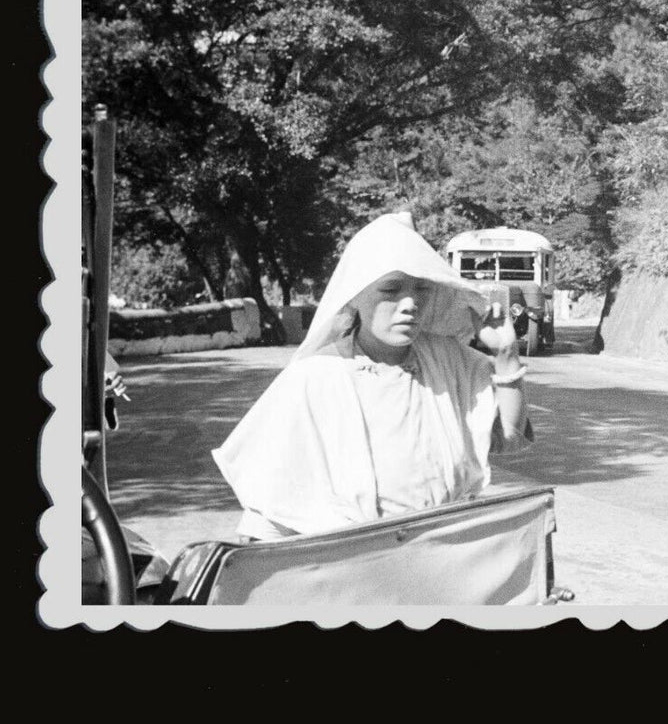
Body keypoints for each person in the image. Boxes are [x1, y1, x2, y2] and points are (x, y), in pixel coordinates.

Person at [212, 213, 532, 541]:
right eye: (391, 289)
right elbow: (271, 507)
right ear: (355, 295)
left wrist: (506, 356)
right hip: (356, 565)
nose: (410, 304)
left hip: (444, 557)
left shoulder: (450, 363)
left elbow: (510, 438)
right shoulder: (315, 377)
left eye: (421, 289)